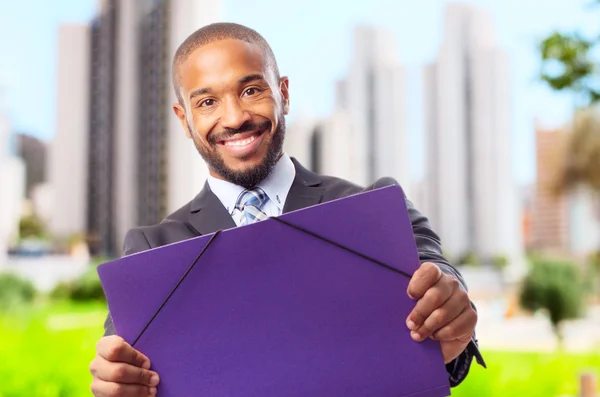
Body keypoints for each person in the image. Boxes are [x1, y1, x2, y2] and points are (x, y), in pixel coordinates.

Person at [89, 22, 485, 396]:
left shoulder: (375, 210)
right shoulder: (150, 249)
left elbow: (437, 270)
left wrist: (450, 302)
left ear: (284, 94)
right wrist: (117, 379)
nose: (235, 117)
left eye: (251, 91)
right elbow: (123, 362)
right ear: (185, 120)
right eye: (208, 101)